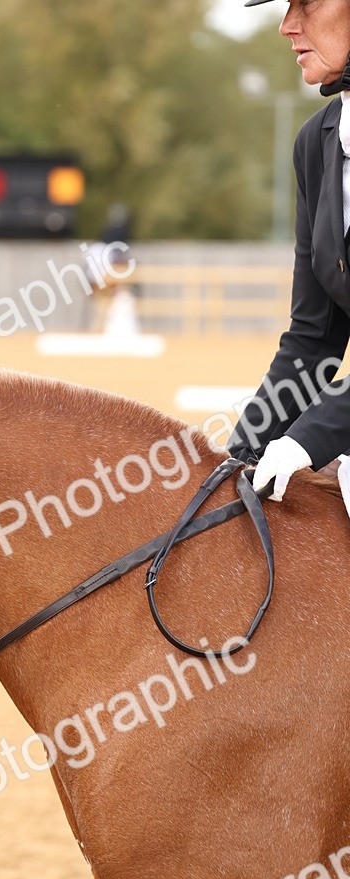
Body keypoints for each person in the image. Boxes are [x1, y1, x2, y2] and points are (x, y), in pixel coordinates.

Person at [227, 0, 350, 505]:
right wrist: (234, 457)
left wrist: (310, 436)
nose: (287, 26)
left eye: (309, 2)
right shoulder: (315, 144)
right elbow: (312, 343)